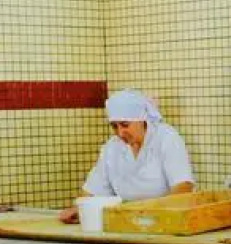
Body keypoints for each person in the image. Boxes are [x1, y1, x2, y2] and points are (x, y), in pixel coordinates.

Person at [59, 90, 195, 223]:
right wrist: (79, 209)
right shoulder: (112, 147)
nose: (120, 132)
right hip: (127, 221)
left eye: (125, 125)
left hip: (166, 220)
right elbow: (95, 187)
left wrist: (156, 213)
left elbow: (183, 187)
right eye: (114, 126)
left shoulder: (167, 138)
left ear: (141, 119)